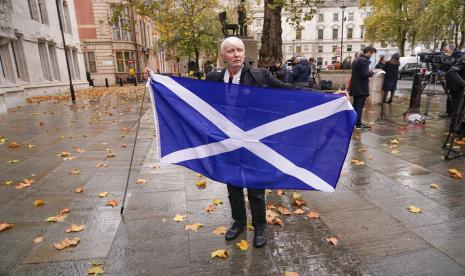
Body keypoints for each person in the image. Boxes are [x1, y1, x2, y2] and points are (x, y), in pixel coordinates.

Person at [205, 36, 292, 248]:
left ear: (245, 53)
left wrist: (328, 98)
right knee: (233, 185)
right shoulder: (214, 78)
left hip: (254, 142)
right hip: (227, 142)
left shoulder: (259, 75)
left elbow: (289, 90)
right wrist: (158, 80)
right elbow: (188, 94)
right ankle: (239, 222)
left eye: (240, 50)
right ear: (223, 56)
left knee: (255, 187)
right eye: (231, 51)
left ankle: (260, 226)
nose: (236, 54)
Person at [350, 45, 377, 129]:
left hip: (355, 87)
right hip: (361, 88)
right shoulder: (364, 61)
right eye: (371, 54)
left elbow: (359, 73)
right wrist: (372, 73)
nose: (371, 55)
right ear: (368, 52)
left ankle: (353, 122)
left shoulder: (356, 60)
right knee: (360, 106)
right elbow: (364, 75)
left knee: (355, 105)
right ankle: (358, 124)